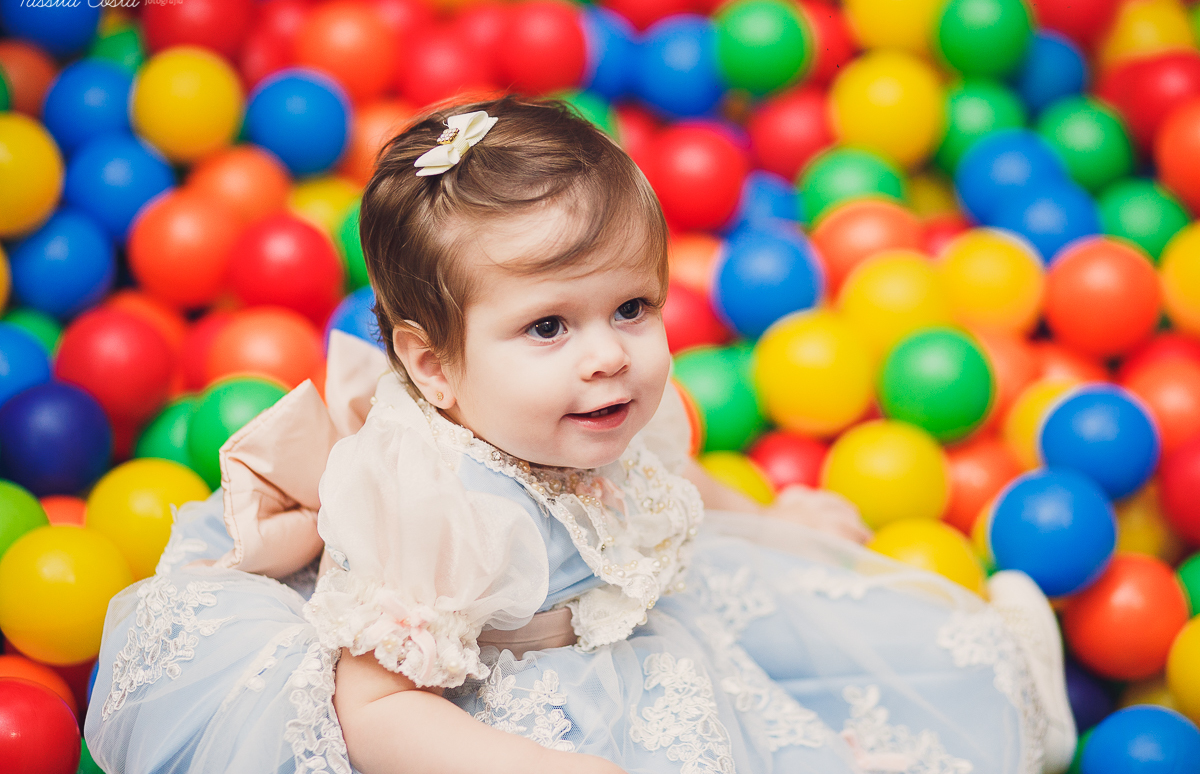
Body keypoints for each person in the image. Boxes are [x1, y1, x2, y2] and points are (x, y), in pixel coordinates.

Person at [85, 96, 1076, 774]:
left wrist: (780, 522)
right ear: (434, 365)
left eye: (633, 305)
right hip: (503, 707)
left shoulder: (594, 407)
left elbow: (672, 488)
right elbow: (374, 710)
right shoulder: (445, 507)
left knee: (840, 671)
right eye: (549, 325)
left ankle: (1001, 685)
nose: (610, 354)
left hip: (637, 626)